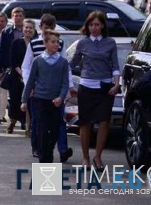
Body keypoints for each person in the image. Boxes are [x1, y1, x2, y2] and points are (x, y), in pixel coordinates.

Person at [69, 11, 120, 171]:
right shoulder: (82, 43)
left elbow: (115, 66)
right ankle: (85, 157)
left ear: (103, 26)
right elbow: (71, 65)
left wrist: (116, 84)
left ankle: (98, 156)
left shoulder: (110, 42)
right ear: (87, 26)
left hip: (105, 88)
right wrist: (70, 85)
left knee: (104, 122)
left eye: (97, 24)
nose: (94, 28)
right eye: (91, 25)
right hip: (86, 87)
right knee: (85, 123)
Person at [21, 14, 74, 162]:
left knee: (57, 126)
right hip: (39, 96)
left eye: (52, 28)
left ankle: (60, 149)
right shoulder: (34, 47)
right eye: (46, 28)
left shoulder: (61, 52)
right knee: (40, 128)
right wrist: (25, 96)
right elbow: (28, 71)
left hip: (56, 96)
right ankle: (42, 153)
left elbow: (65, 73)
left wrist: (66, 91)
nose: (55, 44)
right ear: (41, 28)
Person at [0, 7, 24, 130]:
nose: (17, 18)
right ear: (12, 18)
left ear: (23, 17)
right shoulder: (6, 32)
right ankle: (12, 119)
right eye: (15, 15)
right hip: (11, 70)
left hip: (25, 70)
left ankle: (24, 121)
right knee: (13, 97)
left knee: (25, 96)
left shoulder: (29, 30)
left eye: (20, 15)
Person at [7, 19, 36, 134]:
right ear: (23, 29)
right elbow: (13, 62)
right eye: (26, 27)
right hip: (17, 77)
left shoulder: (36, 43)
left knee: (29, 102)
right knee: (15, 102)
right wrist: (22, 74)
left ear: (34, 30)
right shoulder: (16, 42)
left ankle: (28, 127)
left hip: (31, 78)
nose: (28, 30)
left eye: (31, 28)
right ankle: (12, 122)